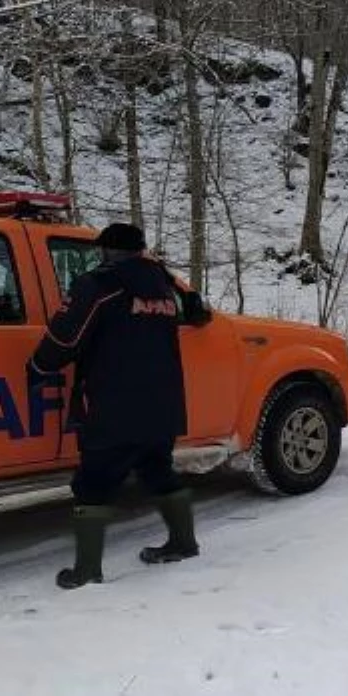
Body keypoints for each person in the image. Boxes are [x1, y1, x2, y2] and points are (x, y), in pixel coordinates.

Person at [29, 223, 206, 589]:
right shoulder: (163, 282)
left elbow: (66, 336)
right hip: (163, 402)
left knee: (93, 483)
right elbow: (198, 314)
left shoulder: (98, 285)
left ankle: (87, 570)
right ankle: (184, 542)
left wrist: (38, 367)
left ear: (106, 251)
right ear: (141, 250)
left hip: (112, 404)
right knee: (158, 469)